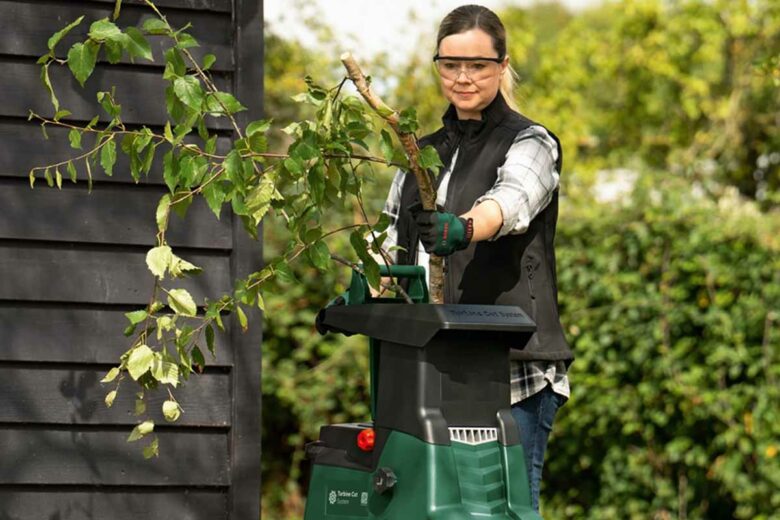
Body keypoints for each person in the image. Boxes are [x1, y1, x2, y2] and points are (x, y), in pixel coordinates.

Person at [374, 4, 573, 513]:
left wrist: (463, 227)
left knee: (503, 508)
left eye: (478, 65)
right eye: (451, 64)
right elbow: (384, 241)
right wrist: (365, 285)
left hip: (512, 371)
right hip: (429, 370)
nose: (463, 77)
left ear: (502, 66)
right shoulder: (419, 155)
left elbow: (511, 202)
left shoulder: (531, 142)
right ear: (437, 65)